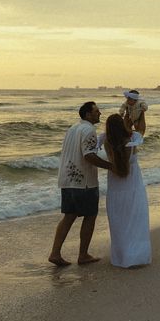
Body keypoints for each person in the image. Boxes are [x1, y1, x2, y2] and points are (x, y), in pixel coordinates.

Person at [49, 101, 113, 267]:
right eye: (96, 111)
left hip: (66, 178)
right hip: (84, 182)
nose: (100, 113)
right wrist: (111, 167)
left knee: (69, 216)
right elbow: (89, 156)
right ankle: (83, 255)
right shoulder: (89, 130)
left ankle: (55, 253)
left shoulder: (73, 128)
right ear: (87, 114)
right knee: (90, 216)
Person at [98, 113, 151, 268]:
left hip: (115, 186)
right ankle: (137, 255)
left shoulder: (106, 140)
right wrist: (140, 113)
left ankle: (121, 256)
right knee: (135, 219)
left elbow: (91, 150)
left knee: (118, 221)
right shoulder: (132, 138)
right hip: (133, 185)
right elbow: (142, 128)